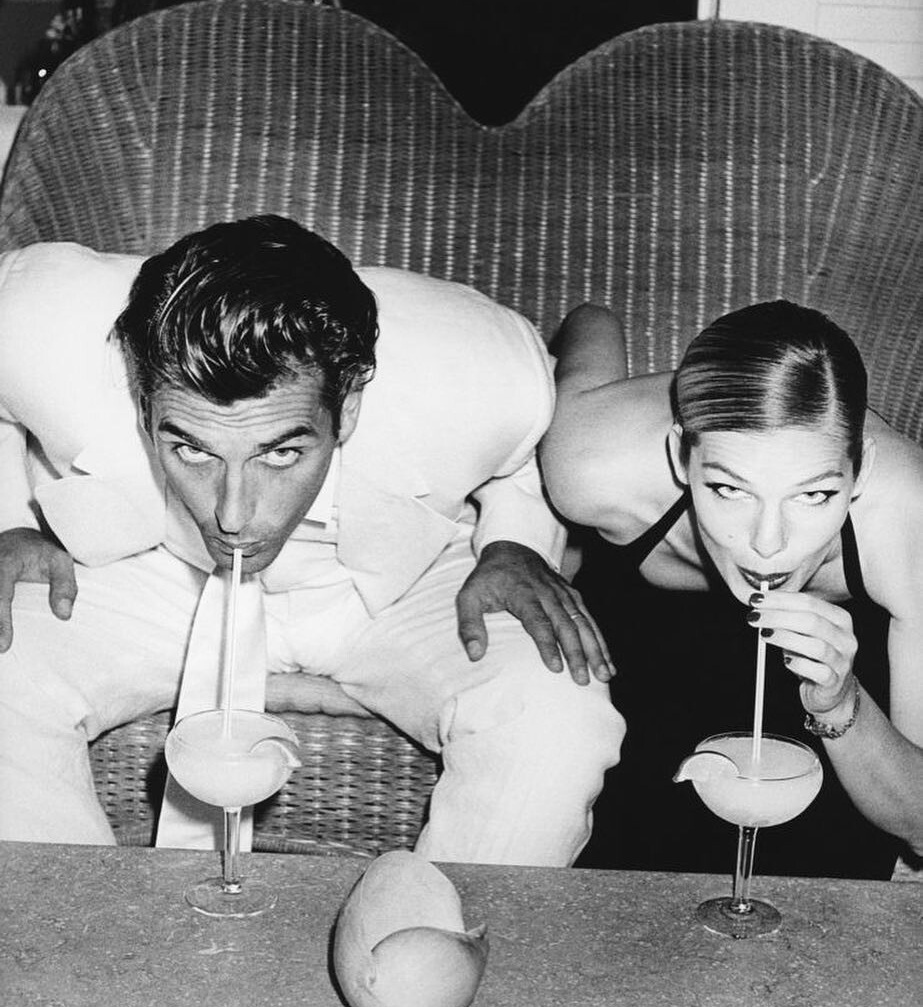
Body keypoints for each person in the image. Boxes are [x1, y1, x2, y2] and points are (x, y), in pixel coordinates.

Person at [0, 214, 624, 865]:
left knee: (554, 717)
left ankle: (439, 926)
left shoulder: (486, 376)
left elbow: (523, 452)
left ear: (348, 405)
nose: (233, 515)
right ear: (140, 394)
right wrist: (10, 518)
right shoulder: (34, 317)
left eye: (280, 452)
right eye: (192, 448)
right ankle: (58, 924)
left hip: (397, 587)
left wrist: (514, 543)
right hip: (155, 568)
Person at [540, 300, 923, 880]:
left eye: (814, 495)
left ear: (861, 472)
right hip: (640, 669)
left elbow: (919, 823)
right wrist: (520, 545)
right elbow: (592, 319)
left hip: (831, 707)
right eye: (729, 489)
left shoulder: (909, 521)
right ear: (680, 457)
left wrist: (843, 703)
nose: (768, 544)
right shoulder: (590, 463)